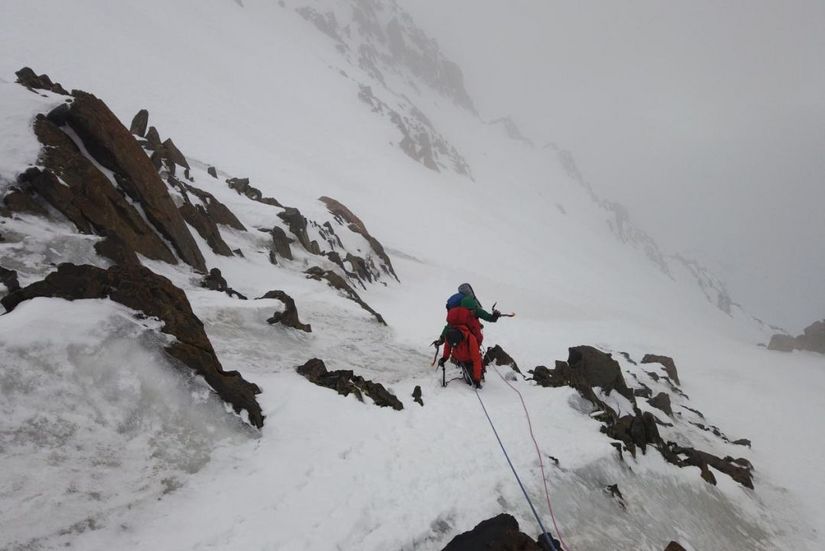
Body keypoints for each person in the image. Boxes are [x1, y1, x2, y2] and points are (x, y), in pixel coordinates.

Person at [436, 283, 501, 387]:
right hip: (470, 344)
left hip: (459, 349)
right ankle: (473, 373)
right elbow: (475, 358)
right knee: (474, 357)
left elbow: (448, 332)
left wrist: (443, 347)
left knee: (466, 353)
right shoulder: (470, 335)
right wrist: (477, 380)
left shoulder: (455, 320)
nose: (473, 312)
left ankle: (462, 364)